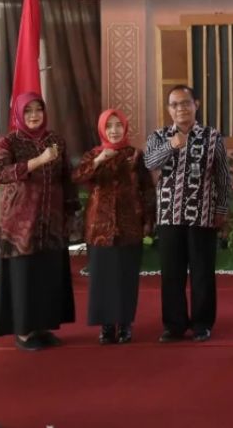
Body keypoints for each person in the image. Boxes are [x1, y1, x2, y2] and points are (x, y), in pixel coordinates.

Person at [144, 85, 230, 343]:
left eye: (185, 103)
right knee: (172, 273)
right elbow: (149, 163)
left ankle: (202, 324)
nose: (180, 108)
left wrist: (221, 208)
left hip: (202, 214)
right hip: (169, 215)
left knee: (202, 272)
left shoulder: (212, 137)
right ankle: (174, 325)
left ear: (196, 105)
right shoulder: (159, 136)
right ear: (168, 109)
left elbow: (223, 177)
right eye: (175, 104)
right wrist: (171, 145)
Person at [0, 92, 77, 351]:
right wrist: (37, 161)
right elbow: (0, 173)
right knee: (25, 277)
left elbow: (66, 177)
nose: (33, 115)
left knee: (47, 275)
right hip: (21, 225)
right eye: (27, 110)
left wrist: (71, 211)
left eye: (38, 109)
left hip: (51, 222)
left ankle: (42, 327)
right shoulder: (8, 142)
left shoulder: (56, 141)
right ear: (19, 113)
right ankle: (24, 332)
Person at [73, 108, 155, 345]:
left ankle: (125, 324)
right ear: (102, 130)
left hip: (130, 226)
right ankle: (107, 326)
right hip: (99, 227)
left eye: (118, 125)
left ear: (125, 127)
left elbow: (147, 190)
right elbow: (77, 177)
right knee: (102, 278)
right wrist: (99, 160)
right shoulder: (93, 155)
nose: (114, 130)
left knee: (126, 277)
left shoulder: (135, 155)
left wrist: (149, 220)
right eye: (109, 126)